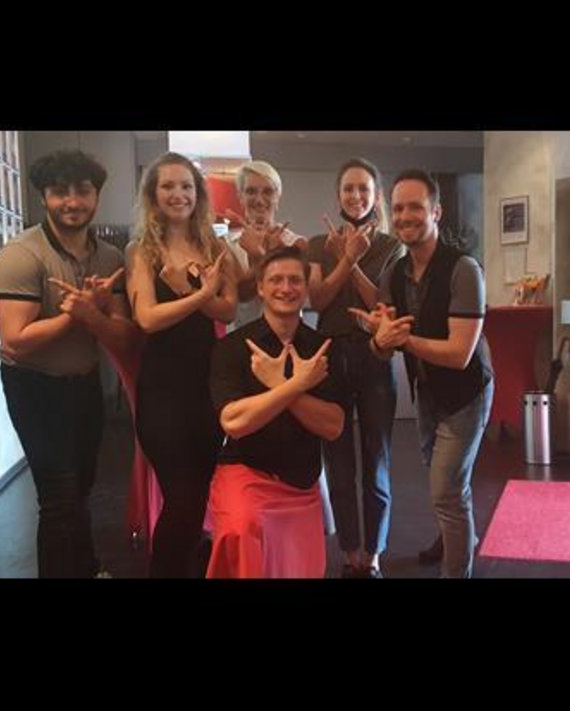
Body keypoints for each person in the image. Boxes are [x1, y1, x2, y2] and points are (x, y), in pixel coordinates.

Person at [0, 149, 136, 578]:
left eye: (83, 191)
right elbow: (15, 342)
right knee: (58, 498)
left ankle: (87, 567)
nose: (72, 202)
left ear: (96, 196)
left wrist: (97, 315)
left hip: (85, 382)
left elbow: (125, 338)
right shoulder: (21, 255)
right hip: (33, 386)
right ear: (44, 197)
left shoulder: (110, 259)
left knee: (82, 490)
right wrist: (76, 316)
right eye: (59, 192)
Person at [351, 169, 494, 579]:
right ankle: (456, 537)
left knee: (446, 491)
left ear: (436, 212)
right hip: (427, 391)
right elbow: (383, 343)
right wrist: (379, 338)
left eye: (415, 207)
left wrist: (401, 340)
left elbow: (460, 354)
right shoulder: (395, 273)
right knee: (444, 482)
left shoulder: (463, 269)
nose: (404, 216)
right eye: (398, 209)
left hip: (467, 393)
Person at [124, 152, 238, 578]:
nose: (178, 194)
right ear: (153, 194)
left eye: (186, 186)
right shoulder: (142, 250)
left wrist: (193, 293)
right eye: (168, 186)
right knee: (183, 497)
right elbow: (148, 319)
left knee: (196, 496)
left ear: (198, 193)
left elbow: (228, 310)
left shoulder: (215, 247)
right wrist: (199, 295)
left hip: (207, 388)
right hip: (162, 390)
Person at [206, 247, 344, 578]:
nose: (286, 288)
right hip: (246, 472)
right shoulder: (233, 347)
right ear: (260, 288)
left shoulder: (323, 349)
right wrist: (295, 385)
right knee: (242, 531)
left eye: (295, 280)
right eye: (276, 280)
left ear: (306, 288)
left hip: (300, 481)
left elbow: (333, 426)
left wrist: (279, 384)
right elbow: (233, 422)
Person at [307, 158, 404, 578]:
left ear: (376, 196)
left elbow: (381, 304)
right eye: (348, 188)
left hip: (374, 355)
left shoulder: (391, 246)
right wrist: (344, 258)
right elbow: (317, 300)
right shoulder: (318, 244)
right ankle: (350, 553)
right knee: (339, 464)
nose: (355, 196)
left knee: (376, 460)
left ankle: (374, 553)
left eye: (364, 188)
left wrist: (354, 260)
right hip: (329, 357)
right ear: (338, 194)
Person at [224, 160, 307, 329]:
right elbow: (241, 294)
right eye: (251, 192)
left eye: (268, 192)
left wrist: (264, 256)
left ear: (278, 196)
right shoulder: (226, 244)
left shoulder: (296, 243)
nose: (259, 200)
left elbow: (297, 294)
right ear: (240, 197)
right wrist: (260, 256)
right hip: (242, 335)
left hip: (289, 334)